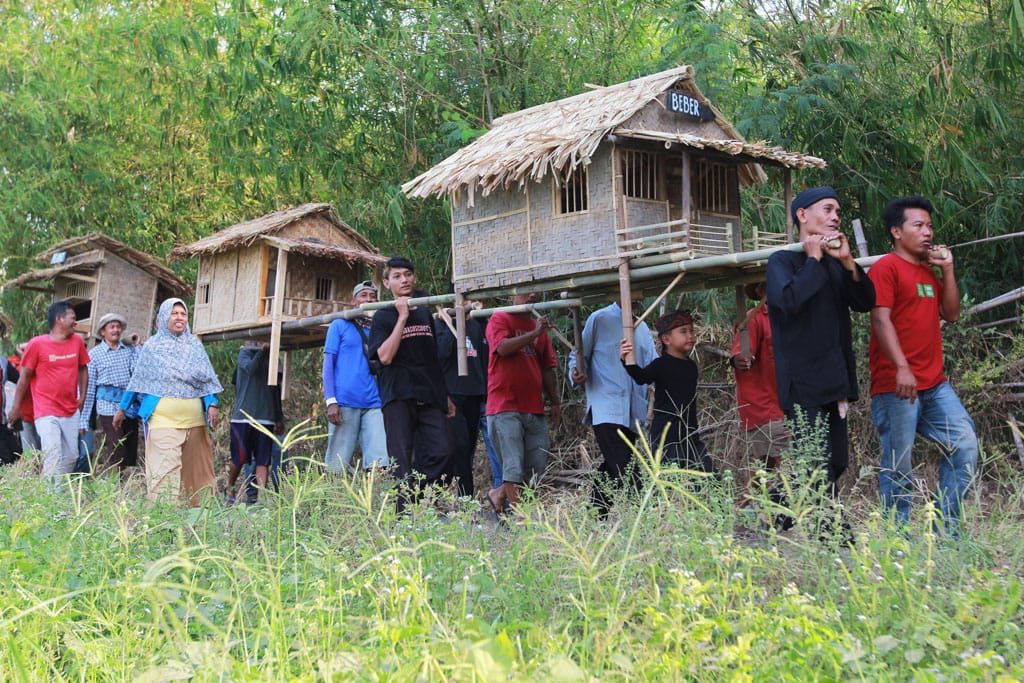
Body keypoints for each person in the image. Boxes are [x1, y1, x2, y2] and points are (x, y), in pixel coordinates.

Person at [868, 195, 978, 532]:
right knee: (899, 464)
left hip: (934, 383)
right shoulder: (886, 267)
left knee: (965, 446)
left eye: (929, 225)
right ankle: (895, 537)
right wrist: (902, 366)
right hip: (896, 385)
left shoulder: (928, 272)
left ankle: (946, 531)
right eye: (918, 225)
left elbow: (953, 314)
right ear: (897, 231)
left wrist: (947, 269)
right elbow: (880, 319)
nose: (927, 232)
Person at [766, 186, 875, 504]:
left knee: (835, 462)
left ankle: (770, 512)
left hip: (835, 381)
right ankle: (834, 540)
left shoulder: (836, 262)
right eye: (828, 209)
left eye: (838, 212)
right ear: (803, 214)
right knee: (815, 464)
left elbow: (865, 301)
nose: (835, 217)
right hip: (802, 385)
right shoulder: (781, 261)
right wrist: (813, 259)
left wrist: (848, 263)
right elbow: (788, 301)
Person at [114, 299, 222, 506]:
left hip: (195, 423)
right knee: (164, 475)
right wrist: (122, 408)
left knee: (198, 477)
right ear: (163, 318)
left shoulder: (194, 346)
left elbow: (205, 381)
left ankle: (199, 521)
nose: (179, 317)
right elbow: (138, 380)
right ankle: (163, 521)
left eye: (183, 314)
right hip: (163, 420)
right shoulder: (152, 347)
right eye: (174, 313)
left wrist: (212, 404)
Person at [367, 257, 455, 511]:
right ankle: (402, 517)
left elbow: (432, 358)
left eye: (407, 274)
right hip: (398, 395)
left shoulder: (426, 310)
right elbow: (384, 356)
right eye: (397, 276)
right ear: (387, 283)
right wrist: (402, 317)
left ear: (414, 278)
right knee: (401, 459)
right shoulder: (383, 316)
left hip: (429, 394)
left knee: (445, 451)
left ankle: (413, 498)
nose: (404, 280)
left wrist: (444, 395)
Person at [569, 300, 656, 516]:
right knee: (626, 467)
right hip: (606, 405)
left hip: (633, 411)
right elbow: (579, 355)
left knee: (613, 464)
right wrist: (575, 372)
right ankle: (643, 518)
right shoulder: (599, 318)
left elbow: (653, 366)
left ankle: (594, 514)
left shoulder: (642, 327)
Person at [485, 292, 562, 513]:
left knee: (537, 465)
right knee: (513, 467)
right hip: (504, 405)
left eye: (534, 289)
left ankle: (498, 494)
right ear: (512, 295)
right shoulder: (499, 318)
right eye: (525, 291)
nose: (532, 295)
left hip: (534, 406)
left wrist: (555, 402)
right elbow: (502, 348)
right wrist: (535, 333)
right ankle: (523, 521)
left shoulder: (537, 325)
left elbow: (547, 367)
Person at [620, 310, 714, 473]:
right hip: (665, 433)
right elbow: (641, 377)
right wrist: (625, 359)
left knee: (706, 474)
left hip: (689, 431)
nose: (690, 335)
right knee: (668, 478)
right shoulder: (660, 365)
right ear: (666, 339)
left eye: (691, 331)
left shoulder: (691, 366)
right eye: (683, 332)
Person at [8, 301, 90, 479]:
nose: (75, 322)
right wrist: (16, 407)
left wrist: (82, 396)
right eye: (72, 318)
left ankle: (55, 491)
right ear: (59, 319)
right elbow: (24, 377)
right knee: (53, 455)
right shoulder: (37, 344)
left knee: (72, 456)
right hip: (45, 411)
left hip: (70, 410)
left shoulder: (77, 341)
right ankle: (52, 498)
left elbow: (83, 368)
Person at [322, 280, 389, 474]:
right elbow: (328, 365)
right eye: (364, 295)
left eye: (372, 296)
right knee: (337, 461)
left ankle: (376, 499)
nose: (368, 299)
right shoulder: (339, 325)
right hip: (344, 401)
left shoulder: (379, 328)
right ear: (354, 300)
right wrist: (331, 401)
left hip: (374, 401)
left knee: (380, 459)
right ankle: (333, 501)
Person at [730, 282, 788, 501]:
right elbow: (739, 355)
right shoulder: (753, 318)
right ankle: (783, 519)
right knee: (790, 466)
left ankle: (744, 515)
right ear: (760, 291)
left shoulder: (788, 317)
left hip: (784, 405)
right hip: (765, 408)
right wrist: (740, 360)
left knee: (765, 468)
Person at [435, 301, 488, 498]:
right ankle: (463, 500)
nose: (468, 305)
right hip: (452, 395)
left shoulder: (476, 325)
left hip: (474, 394)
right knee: (458, 448)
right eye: (463, 301)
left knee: (468, 449)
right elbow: (441, 354)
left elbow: (484, 358)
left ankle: (462, 499)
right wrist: (453, 325)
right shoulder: (441, 324)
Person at [79, 312, 140, 475]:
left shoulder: (128, 351)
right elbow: (90, 389)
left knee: (129, 450)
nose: (116, 330)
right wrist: (83, 419)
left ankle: (123, 487)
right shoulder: (94, 355)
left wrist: (136, 346)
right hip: (107, 406)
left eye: (119, 327)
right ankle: (114, 484)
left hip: (128, 405)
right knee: (116, 447)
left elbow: (137, 373)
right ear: (102, 332)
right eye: (112, 327)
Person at [226, 341, 284, 505]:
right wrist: (261, 351)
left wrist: (278, 416)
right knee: (239, 457)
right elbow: (250, 370)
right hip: (243, 417)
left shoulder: (272, 358)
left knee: (263, 460)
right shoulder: (245, 353)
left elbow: (276, 388)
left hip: (265, 417)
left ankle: (261, 499)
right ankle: (230, 487)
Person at [5, 342, 40, 454]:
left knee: (41, 451)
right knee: (31, 453)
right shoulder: (20, 368)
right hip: (26, 417)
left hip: (41, 416)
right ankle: (32, 471)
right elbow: (23, 379)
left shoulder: (40, 367)